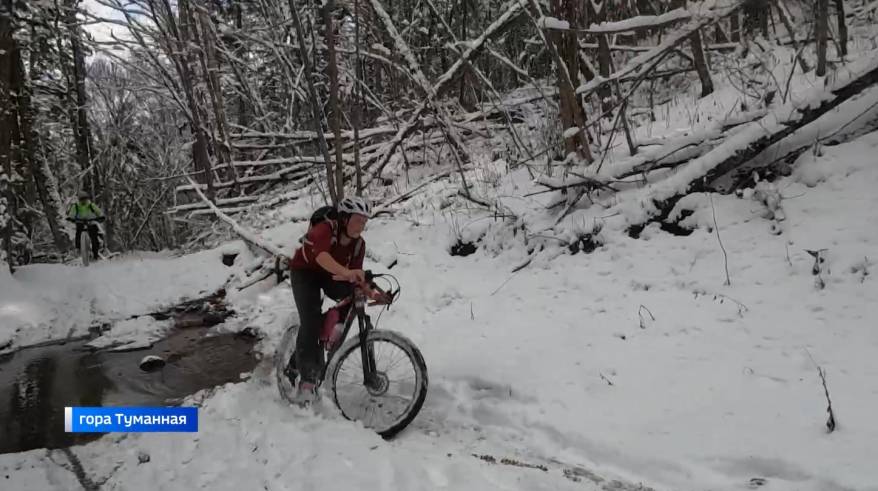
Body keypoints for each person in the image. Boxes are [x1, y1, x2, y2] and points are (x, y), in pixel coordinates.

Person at [287, 196, 387, 405]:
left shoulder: (358, 245)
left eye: (365, 221)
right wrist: (348, 273)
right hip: (305, 272)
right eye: (358, 220)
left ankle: (328, 327)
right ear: (345, 218)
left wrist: (375, 294)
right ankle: (306, 382)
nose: (361, 225)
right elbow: (322, 257)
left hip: (329, 274)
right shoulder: (326, 229)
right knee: (310, 321)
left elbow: (357, 278)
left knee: (354, 294)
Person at [67, 190, 105, 260]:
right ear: (79, 199)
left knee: (94, 237)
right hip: (80, 222)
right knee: (78, 233)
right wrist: (71, 218)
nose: (83, 201)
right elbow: (72, 213)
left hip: (91, 222)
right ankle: (78, 248)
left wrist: (101, 216)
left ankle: (95, 253)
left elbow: (98, 211)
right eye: (82, 199)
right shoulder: (76, 206)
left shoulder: (91, 205)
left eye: (85, 199)